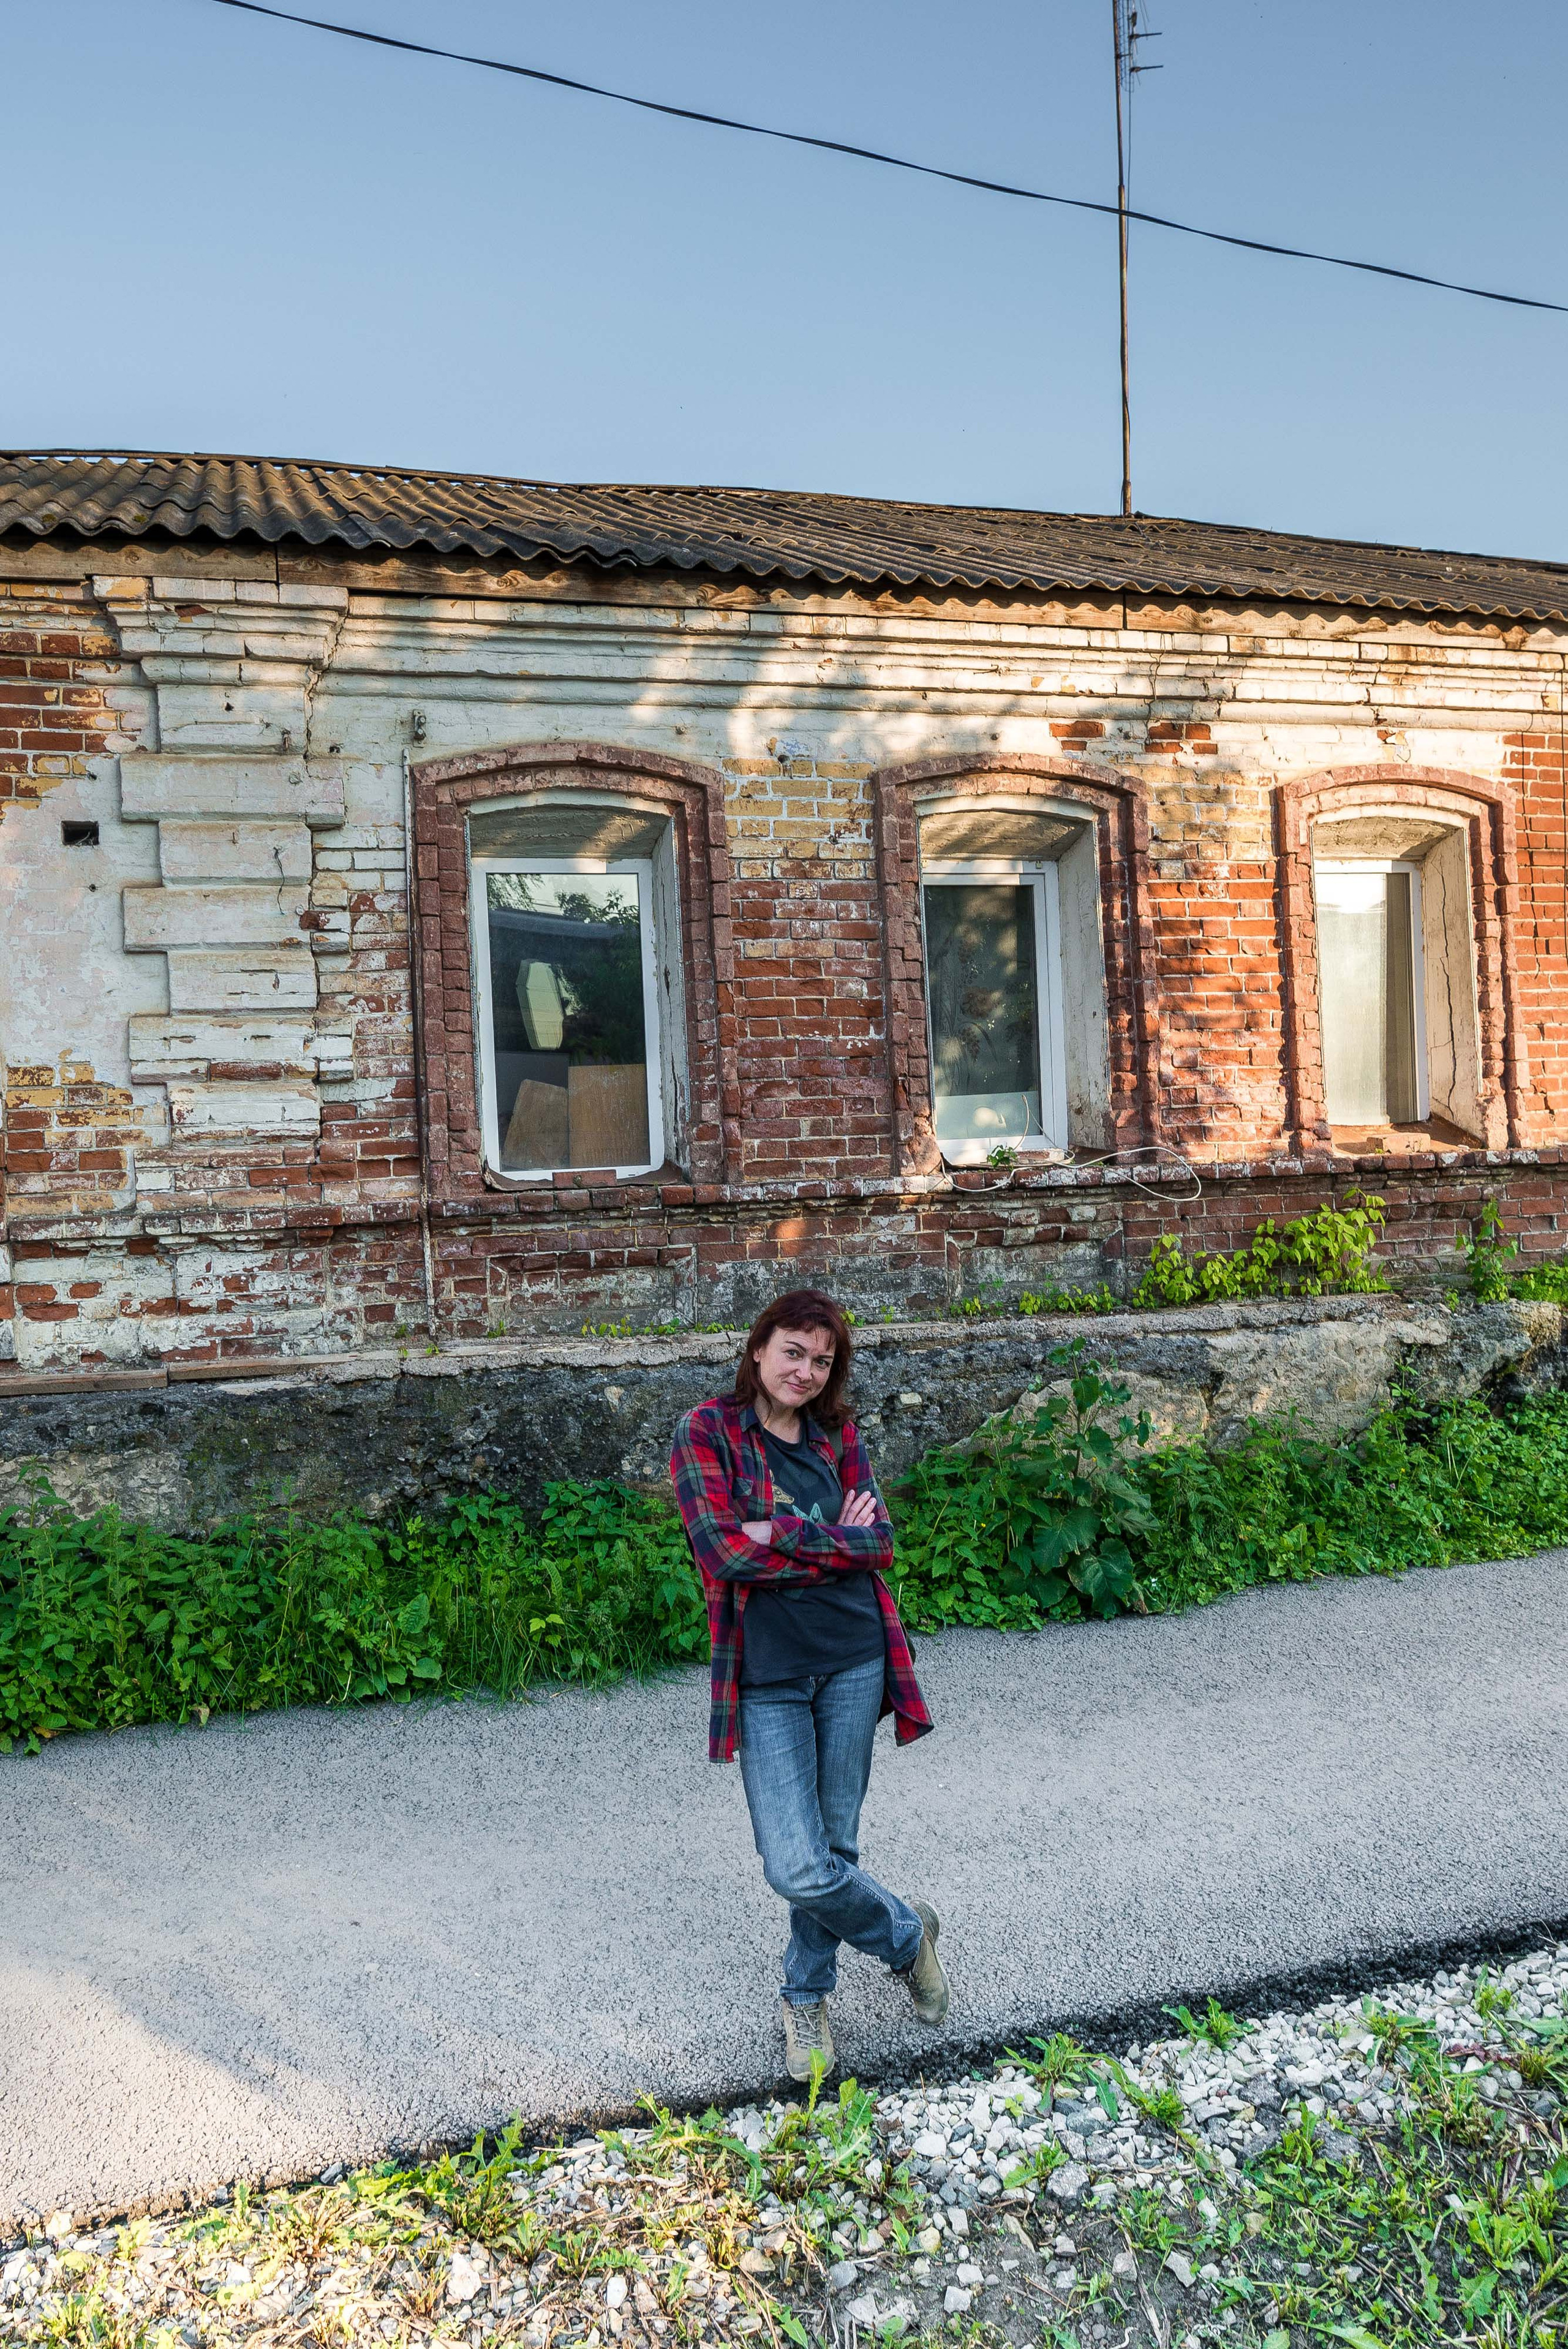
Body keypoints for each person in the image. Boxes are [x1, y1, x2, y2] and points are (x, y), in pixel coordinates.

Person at [669, 1288, 949, 2081]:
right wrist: (838, 1540)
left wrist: (785, 1533)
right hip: (768, 1677)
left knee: (835, 1846)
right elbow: (723, 1554)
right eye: (793, 1351)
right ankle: (905, 1935)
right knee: (795, 1865)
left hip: (856, 1657)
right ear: (759, 1350)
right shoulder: (708, 1433)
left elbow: (882, 1543)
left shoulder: (838, 1435)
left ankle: (806, 1995)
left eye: (822, 1361)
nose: (806, 1371)